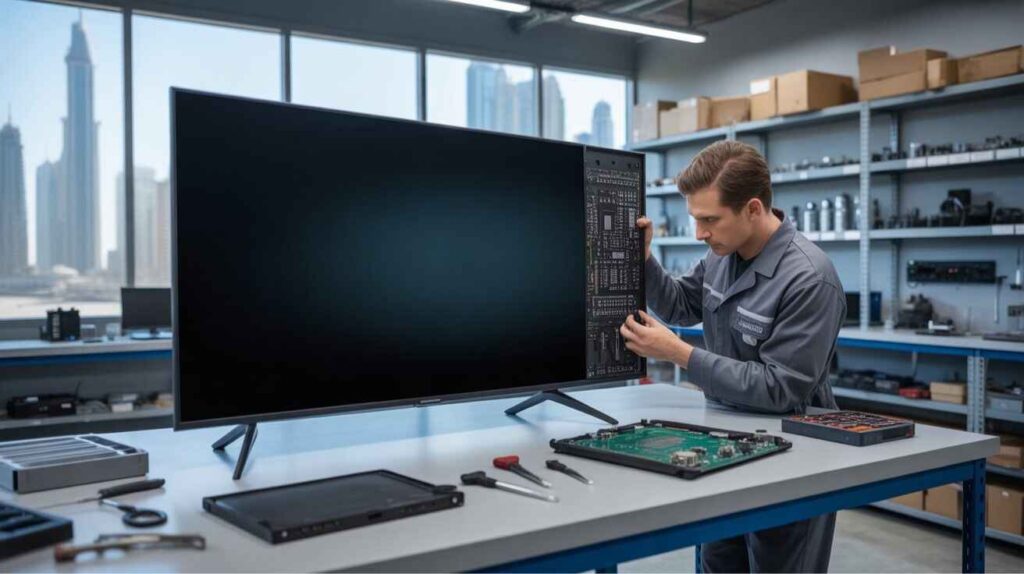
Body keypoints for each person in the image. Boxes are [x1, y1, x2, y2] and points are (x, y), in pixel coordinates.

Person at [620, 140, 846, 573]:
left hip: (792, 454)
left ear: (754, 209)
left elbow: (780, 387)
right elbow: (682, 304)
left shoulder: (810, 278)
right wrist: (645, 259)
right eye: (695, 219)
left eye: (709, 220)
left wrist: (682, 355)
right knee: (717, 564)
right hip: (721, 443)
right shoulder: (722, 252)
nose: (699, 232)